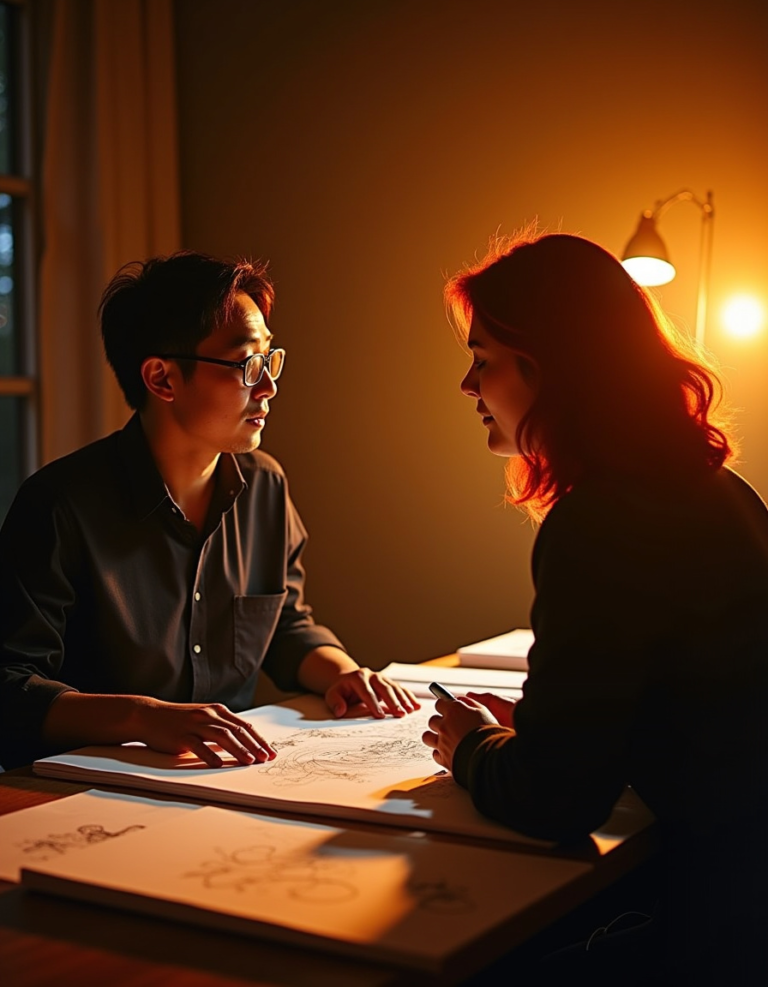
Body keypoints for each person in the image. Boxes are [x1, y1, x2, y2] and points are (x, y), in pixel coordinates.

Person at [423, 231, 768, 984]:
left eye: (483, 361)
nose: (466, 386)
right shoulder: (722, 491)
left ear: (548, 371)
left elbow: (557, 798)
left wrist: (471, 746)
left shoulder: (600, 521)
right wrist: (555, 728)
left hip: (722, 924)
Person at [0, 250, 418, 772]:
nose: (268, 387)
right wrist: (146, 718)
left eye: (270, 359)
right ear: (162, 379)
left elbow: (284, 623)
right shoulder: (59, 506)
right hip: (87, 790)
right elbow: (10, 689)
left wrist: (342, 672)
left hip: (223, 778)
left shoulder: (263, 485)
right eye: (246, 364)